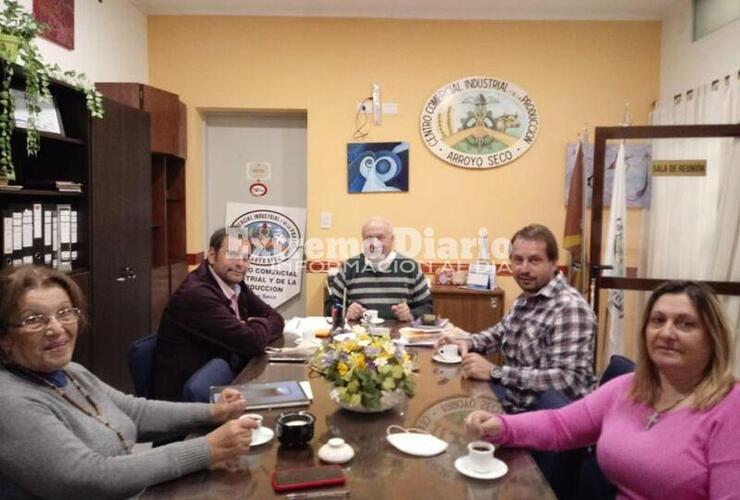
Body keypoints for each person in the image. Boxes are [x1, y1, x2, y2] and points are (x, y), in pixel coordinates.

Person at [0, 264, 259, 499]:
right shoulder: (10, 401)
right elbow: (89, 478)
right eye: (34, 320)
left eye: (65, 313)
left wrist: (214, 412)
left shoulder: (70, 371)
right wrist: (207, 449)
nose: (56, 328)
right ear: (4, 338)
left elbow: (134, 412)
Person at [464, 281, 740, 499]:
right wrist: (501, 425)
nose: (666, 333)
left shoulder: (731, 406)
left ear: (712, 337)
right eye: (658, 320)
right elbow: (561, 425)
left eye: (685, 323)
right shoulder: (629, 387)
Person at [436, 224, 596, 412]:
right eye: (518, 260)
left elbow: (568, 381)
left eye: (534, 260)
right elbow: (500, 333)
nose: (524, 269)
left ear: (553, 263)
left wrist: (496, 373)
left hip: (546, 420)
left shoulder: (569, 308)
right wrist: (467, 343)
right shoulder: (529, 297)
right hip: (514, 401)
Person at [152, 227, 284, 401]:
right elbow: (251, 342)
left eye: (246, 258)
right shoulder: (196, 294)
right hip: (186, 400)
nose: (240, 264)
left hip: (224, 381)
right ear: (212, 256)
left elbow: (276, 318)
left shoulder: (235, 284)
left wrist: (253, 326)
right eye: (233, 255)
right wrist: (255, 327)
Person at [329, 216, 433, 322]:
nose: (374, 243)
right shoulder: (349, 267)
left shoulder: (410, 267)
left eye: (380, 237)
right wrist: (345, 312)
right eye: (368, 238)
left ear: (392, 239)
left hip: (399, 335)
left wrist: (411, 314)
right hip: (358, 336)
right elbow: (329, 306)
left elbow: (427, 308)